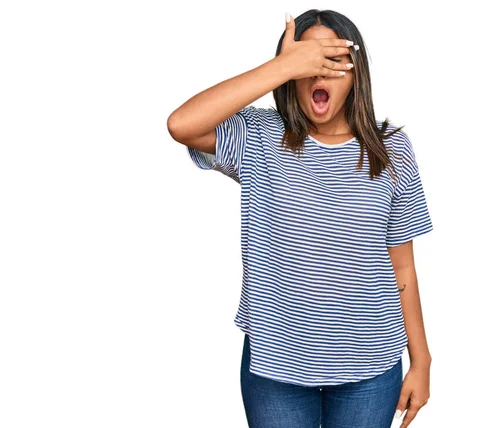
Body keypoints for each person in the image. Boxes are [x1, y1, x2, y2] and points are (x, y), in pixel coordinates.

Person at [167, 9, 434, 428]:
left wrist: (421, 360)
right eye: (308, 61)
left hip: (371, 364)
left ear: (356, 71)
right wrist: (281, 66)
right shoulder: (258, 136)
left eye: (331, 61)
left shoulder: (392, 149)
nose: (318, 74)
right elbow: (182, 124)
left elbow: (402, 266)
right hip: (276, 363)